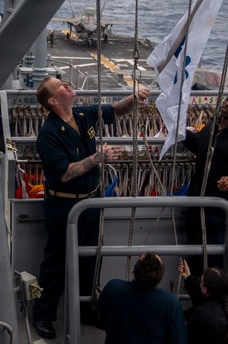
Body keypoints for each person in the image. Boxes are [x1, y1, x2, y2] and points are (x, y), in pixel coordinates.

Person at [32, 76, 150, 339]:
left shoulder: (83, 114)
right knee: (56, 261)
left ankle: (86, 309)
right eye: (59, 85)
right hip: (64, 205)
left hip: (90, 202)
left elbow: (115, 110)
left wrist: (135, 97)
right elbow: (64, 173)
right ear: (53, 100)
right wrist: (99, 157)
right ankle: (43, 314)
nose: (65, 84)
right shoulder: (49, 134)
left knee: (91, 257)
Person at [183, 91, 228, 279]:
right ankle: (198, 304)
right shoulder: (211, 127)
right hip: (195, 204)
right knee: (193, 261)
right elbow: (199, 146)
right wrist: (180, 132)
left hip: (216, 211)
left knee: (212, 264)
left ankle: (212, 305)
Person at [97, 252, 186, 344]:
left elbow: (100, 315)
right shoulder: (171, 303)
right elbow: (178, 340)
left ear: (133, 271)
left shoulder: (113, 288)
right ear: (161, 277)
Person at [178, 261, 228, 344]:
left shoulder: (203, 314)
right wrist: (188, 276)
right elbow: (203, 301)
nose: (199, 284)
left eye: (200, 281)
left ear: (205, 288)